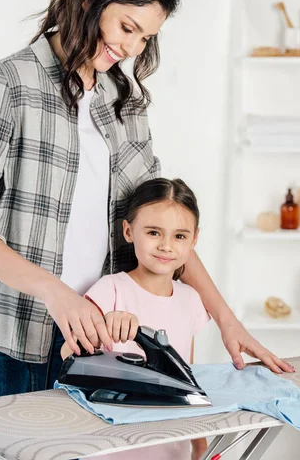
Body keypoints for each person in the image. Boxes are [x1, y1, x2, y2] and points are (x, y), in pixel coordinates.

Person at [0, 0, 293, 407]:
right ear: (89, 0)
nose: (131, 48)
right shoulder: (10, 82)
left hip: (95, 340)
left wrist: (227, 319)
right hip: (1, 333)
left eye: (145, 37)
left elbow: (165, 221)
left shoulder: (124, 102)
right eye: (127, 27)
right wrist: (55, 292)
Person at [60, 177, 210, 460]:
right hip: (110, 448)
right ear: (128, 231)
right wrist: (104, 326)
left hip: (171, 448)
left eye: (179, 236)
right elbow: (68, 354)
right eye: (154, 232)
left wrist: (199, 443)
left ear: (194, 239)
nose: (166, 246)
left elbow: (188, 375)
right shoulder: (110, 290)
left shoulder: (191, 299)